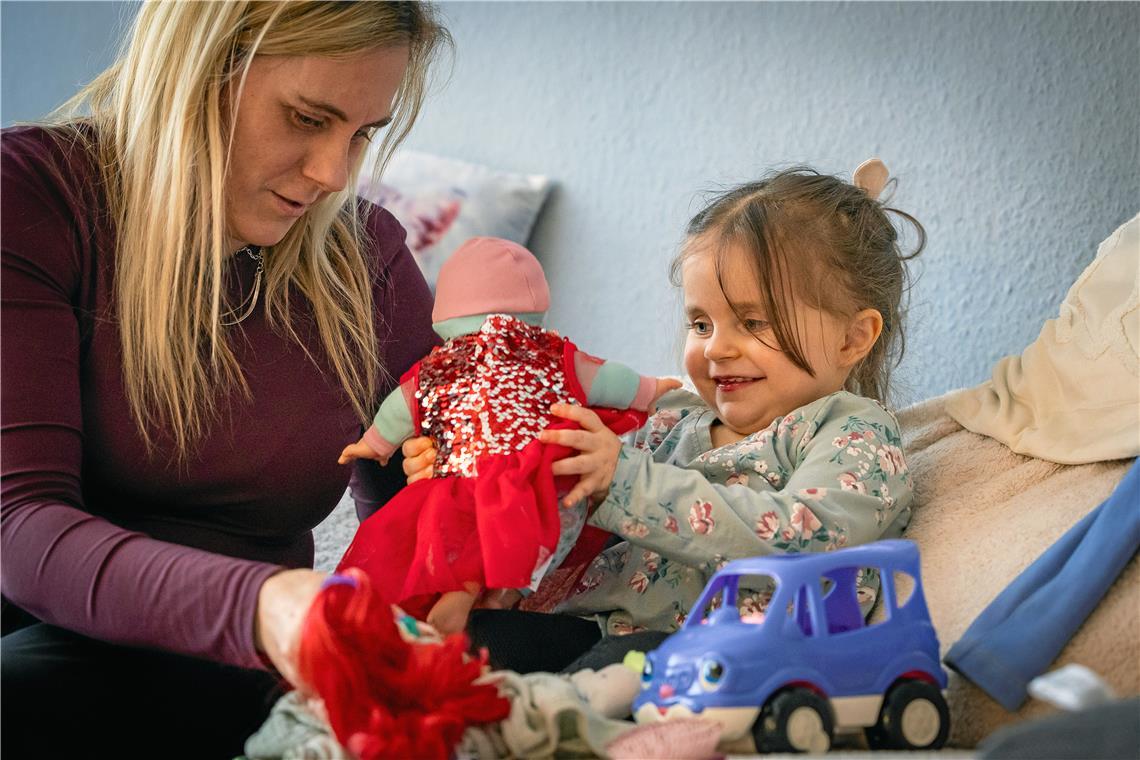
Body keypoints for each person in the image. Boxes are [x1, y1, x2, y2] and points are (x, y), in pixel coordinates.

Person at [0, 2, 450, 757]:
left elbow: (416, 507)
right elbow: (19, 527)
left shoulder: (367, 254)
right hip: (44, 636)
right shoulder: (33, 196)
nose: (333, 174)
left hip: (250, 669)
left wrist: (449, 573)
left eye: (361, 134)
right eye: (309, 118)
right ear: (195, 70)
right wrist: (264, 603)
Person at [402, 161, 926, 674]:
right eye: (701, 323)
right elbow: (567, 517)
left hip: (723, 656)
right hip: (592, 628)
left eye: (752, 321)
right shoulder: (670, 421)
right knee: (453, 640)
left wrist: (624, 481)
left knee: (612, 671)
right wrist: (476, 473)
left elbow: (804, 540)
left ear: (853, 337)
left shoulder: (850, 431)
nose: (717, 348)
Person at [335, 236, 680, 634]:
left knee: (456, 531)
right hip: (538, 474)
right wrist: (652, 389)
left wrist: (373, 445)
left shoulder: (436, 367)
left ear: (445, 313)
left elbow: (398, 409)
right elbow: (610, 379)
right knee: (553, 521)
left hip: (460, 479)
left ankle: (460, 591)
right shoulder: (550, 353)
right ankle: (508, 592)